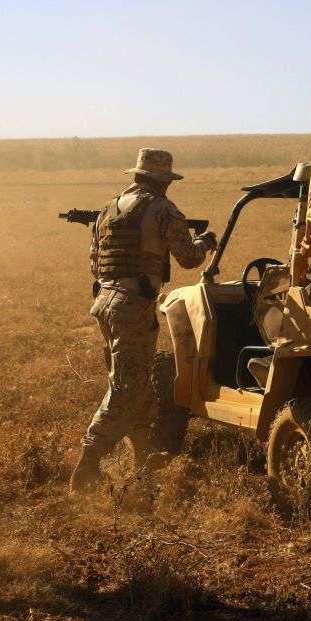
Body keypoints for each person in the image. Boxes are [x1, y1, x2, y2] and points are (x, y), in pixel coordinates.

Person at [70, 148, 216, 493]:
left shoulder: (107, 209)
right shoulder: (163, 209)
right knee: (127, 388)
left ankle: (143, 463)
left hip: (105, 302)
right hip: (133, 307)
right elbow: (189, 259)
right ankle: (87, 465)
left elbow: (96, 262)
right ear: (162, 180)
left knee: (138, 382)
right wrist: (204, 242)